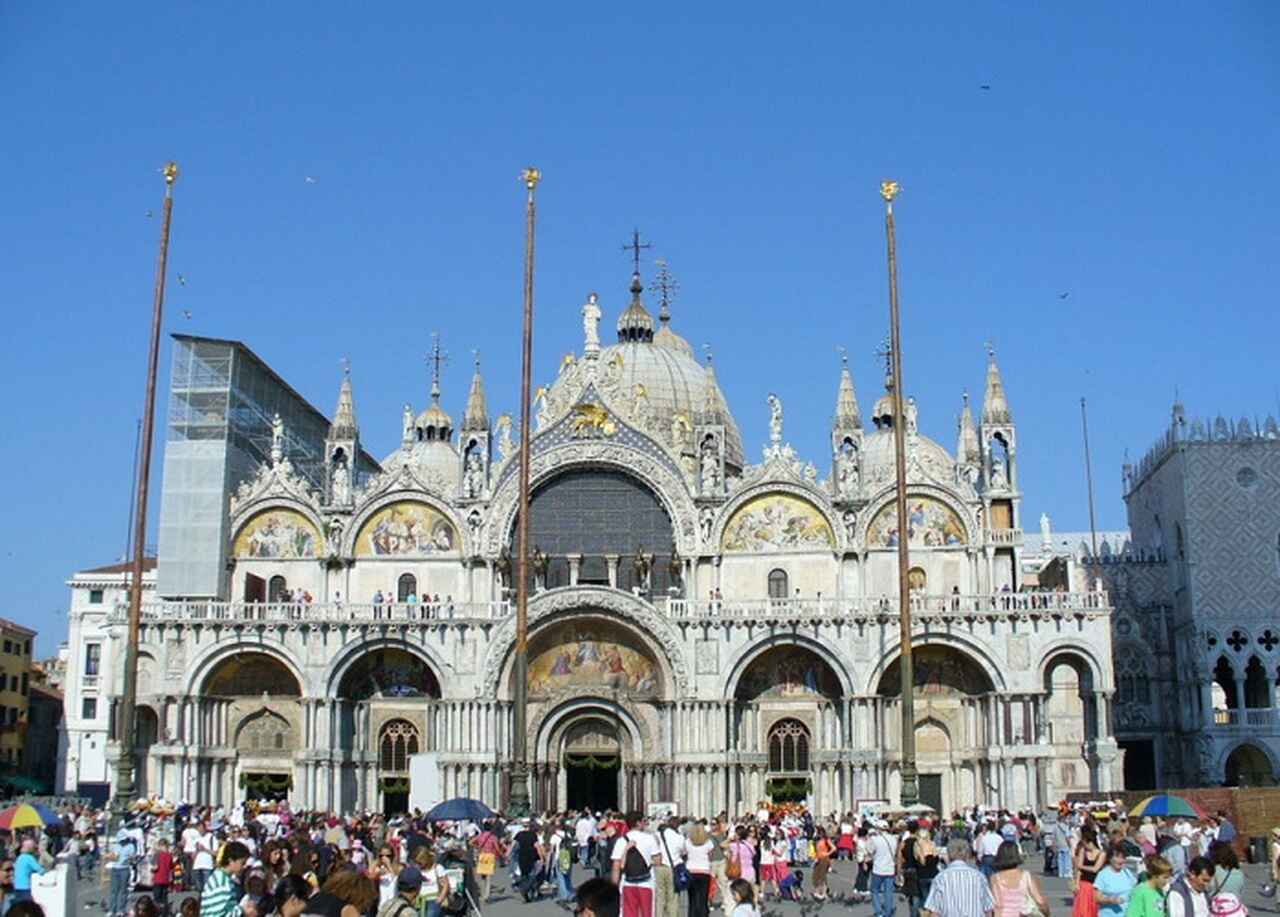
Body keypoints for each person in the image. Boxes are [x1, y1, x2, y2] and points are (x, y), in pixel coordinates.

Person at [922, 838, 996, 917]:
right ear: (967, 855)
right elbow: (988, 909)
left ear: (949, 855)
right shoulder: (979, 877)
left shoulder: (940, 878)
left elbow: (934, 911)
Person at [612, 812, 661, 917]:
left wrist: (614, 885)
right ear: (638, 823)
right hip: (647, 882)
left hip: (627, 882)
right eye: (644, 821)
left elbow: (616, 865)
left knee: (629, 912)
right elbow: (658, 861)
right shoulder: (649, 838)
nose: (646, 823)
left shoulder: (621, 841)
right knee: (647, 912)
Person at [990, 840, 1049, 917]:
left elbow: (996, 904)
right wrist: (1046, 913)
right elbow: (1040, 901)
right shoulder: (1026, 876)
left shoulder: (995, 878)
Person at [200, 840, 253, 917]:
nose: (244, 867)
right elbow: (218, 914)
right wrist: (242, 910)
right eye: (242, 863)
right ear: (231, 861)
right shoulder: (222, 883)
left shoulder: (222, 878)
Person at [1093, 843, 1138, 917]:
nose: (1120, 860)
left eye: (1123, 857)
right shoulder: (1103, 874)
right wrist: (1110, 900)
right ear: (1110, 858)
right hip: (1108, 914)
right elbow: (1097, 898)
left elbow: (1135, 889)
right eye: (1117, 857)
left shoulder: (1127, 872)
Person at [1073, 825, 1107, 917]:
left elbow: (1095, 869)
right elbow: (1079, 869)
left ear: (1090, 842)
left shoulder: (1101, 854)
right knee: (1082, 911)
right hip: (1083, 884)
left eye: (1084, 843)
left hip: (1095, 885)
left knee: (1093, 909)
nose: (1083, 845)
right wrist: (1076, 883)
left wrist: (1081, 866)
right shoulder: (1083, 850)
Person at [868, 821, 898, 917]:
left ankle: (879, 911)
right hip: (890, 869)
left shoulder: (875, 839)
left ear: (878, 829)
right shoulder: (894, 839)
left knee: (874, 890)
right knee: (888, 892)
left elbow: (869, 850)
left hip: (878, 869)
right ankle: (887, 913)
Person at [107, 828, 139, 917]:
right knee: (113, 890)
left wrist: (132, 858)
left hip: (124, 869)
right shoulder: (116, 845)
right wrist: (110, 856)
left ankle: (120, 909)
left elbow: (132, 858)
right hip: (115, 868)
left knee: (123, 890)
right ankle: (111, 909)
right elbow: (112, 856)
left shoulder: (131, 846)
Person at [684, 823, 714, 917]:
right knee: (703, 898)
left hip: (691, 870)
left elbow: (684, 854)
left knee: (692, 898)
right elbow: (710, 856)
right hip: (704, 871)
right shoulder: (708, 842)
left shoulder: (688, 841)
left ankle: (692, 915)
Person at [12, 839, 44, 906]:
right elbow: (41, 871)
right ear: (31, 848)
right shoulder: (29, 858)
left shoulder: (19, 857)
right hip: (25, 887)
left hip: (16, 886)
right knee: (28, 907)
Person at [152, 838, 174, 915]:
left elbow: (155, 867)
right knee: (164, 898)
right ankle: (165, 913)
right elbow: (171, 867)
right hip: (165, 879)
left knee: (157, 898)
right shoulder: (169, 855)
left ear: (160, 846)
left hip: (158, 879)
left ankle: (157, 913)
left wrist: (151, 870)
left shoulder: (157, 855)